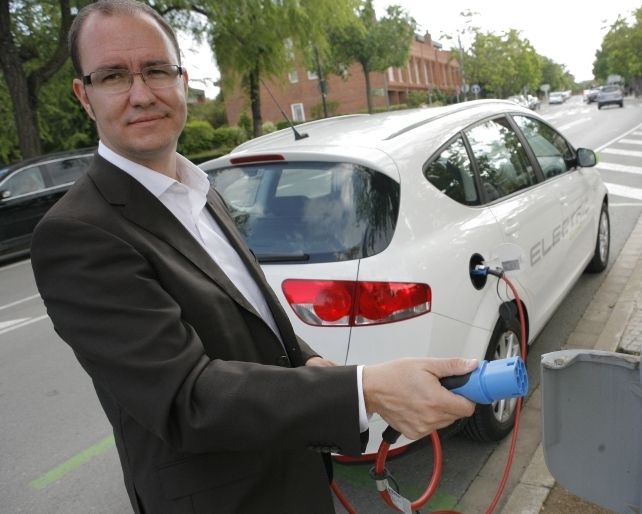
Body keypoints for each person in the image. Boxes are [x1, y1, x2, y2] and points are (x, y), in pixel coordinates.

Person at [30, 1, 476, 512]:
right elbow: (185, 397)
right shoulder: (77, 232)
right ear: (83, 96)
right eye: (113, 76)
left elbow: (255, 324)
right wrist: (363, 388)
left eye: (156, 70)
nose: (141, 94)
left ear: (182, 77)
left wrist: (314, 363)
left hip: (294, 478)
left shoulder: (202, 188)